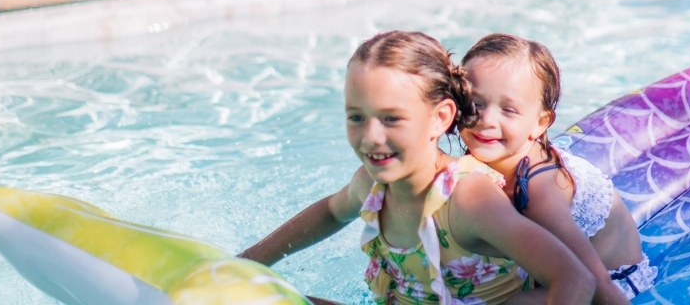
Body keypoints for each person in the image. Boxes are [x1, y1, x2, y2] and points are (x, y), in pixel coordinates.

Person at [239, 30, 596, 305]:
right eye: (356, 117)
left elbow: (575, 278)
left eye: (392, 119)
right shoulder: (371, 185)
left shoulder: (467, 197)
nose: (371, 137)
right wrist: (248, 261)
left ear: (440, 118)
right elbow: (331, 212)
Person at [459, 34, 657, 305]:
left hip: (612, 283)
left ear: (540, 123)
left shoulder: (539, 193)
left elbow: (593, 280)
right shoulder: (486, 161)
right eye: (475, 103)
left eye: (508, 110)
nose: (486, 119)